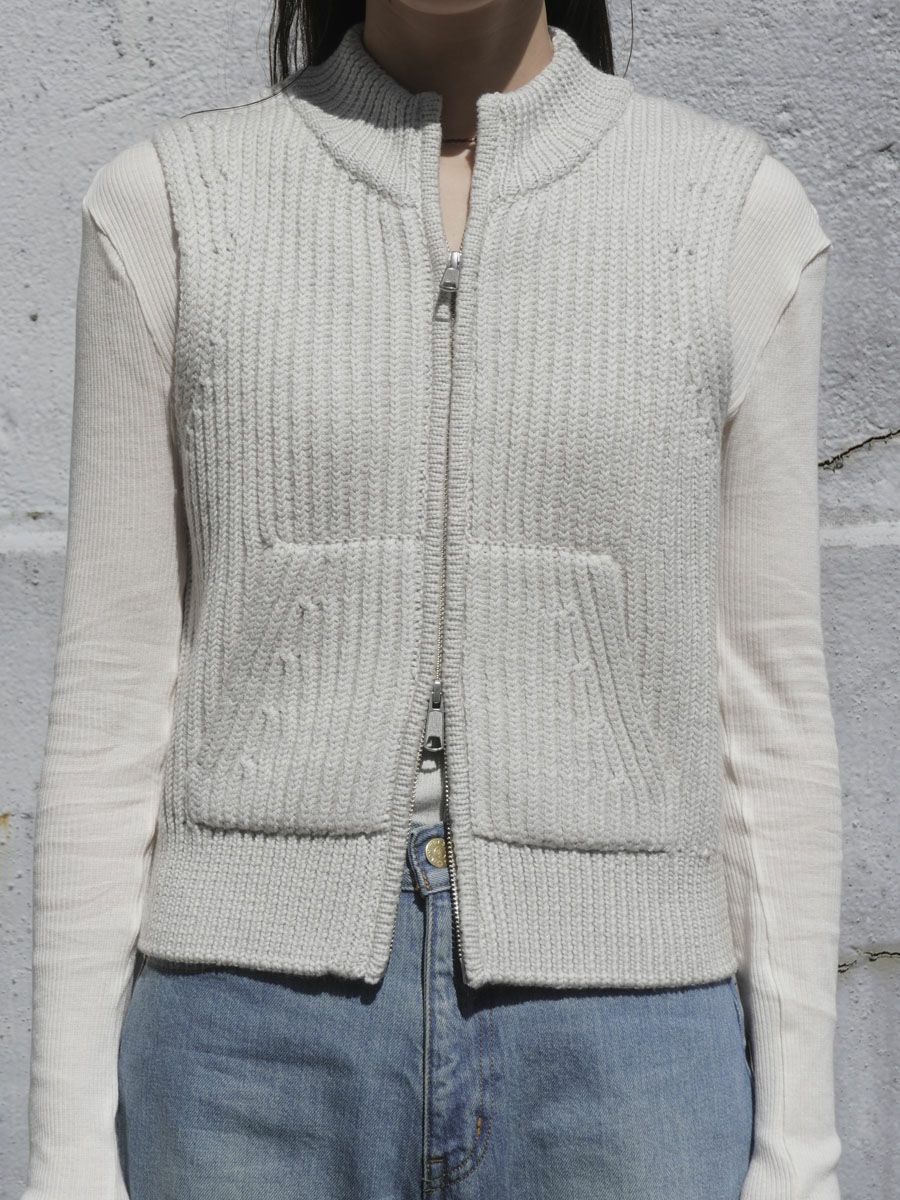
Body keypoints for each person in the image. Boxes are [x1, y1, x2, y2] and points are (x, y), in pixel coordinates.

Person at [22, 2, 844, 1198]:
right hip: (241, 1044)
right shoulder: (171, 207)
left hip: (631, 1053)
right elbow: (112, 696)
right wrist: (65, 1158)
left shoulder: (733, 215)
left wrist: (802, 1153)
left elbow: (770, 710)